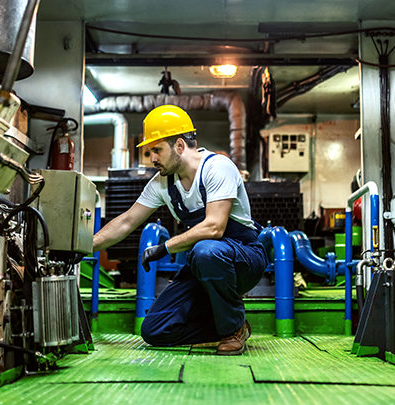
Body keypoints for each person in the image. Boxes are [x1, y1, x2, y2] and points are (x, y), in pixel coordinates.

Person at [92, 105, 267, 355]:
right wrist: (85, 245)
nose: (152, 159)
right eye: (150, 151)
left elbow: (215, 227)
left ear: (180, 145)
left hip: (244, 259)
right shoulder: (162, 183)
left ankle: (232, 329)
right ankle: (230, 323)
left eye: (157, 150)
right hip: (204, 264)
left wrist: (164, 248)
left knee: (206, 251)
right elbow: (127, 221)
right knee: (154, 330)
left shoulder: (217, 168)